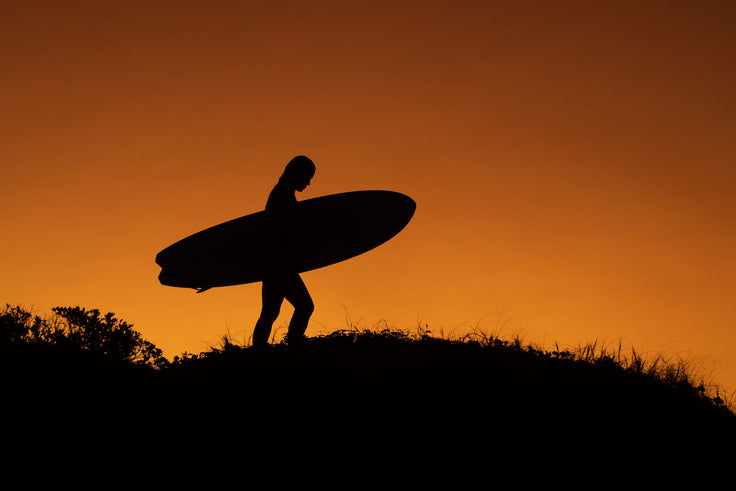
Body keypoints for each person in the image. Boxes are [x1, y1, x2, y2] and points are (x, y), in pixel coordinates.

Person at [252, 156, 316, 348]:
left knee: (270, 312)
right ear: (297, 174)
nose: (308, 183)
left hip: (274, 264)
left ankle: (259, 351)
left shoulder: (283, 193)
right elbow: (279, 231)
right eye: (307, 177)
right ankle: (294, 343)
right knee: (305, 306)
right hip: (280, 265)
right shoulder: (281, 196)